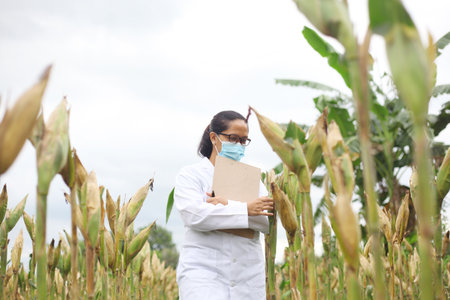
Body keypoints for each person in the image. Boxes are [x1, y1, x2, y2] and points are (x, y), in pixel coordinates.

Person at [174, 110, 274, 300]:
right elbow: (194, 216)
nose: (239, 145)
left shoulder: (255, 180)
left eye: (243, 141)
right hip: (203, 271)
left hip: (248, 274)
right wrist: (245, 209)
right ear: (214, 137)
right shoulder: (190, 175)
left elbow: (267, 222)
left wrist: (225, 204)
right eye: (233, 138)